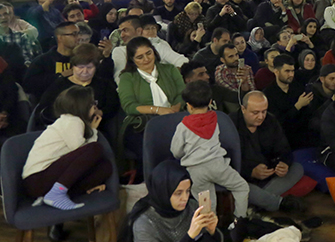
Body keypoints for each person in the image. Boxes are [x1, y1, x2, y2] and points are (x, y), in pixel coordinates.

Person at [118, 161, 229, 242]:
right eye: (178, 193)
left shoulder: (191, 207)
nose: (185, 198)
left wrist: (212, 231)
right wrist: (190, 236)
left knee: (204, 241)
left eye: (188, 191)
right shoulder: (144, 222)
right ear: (163, 191)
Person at [170, 80, 250, 220]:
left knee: (207, 206)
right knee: (241, 187)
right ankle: (239, 221)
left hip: (195, 172)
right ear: (210, 102)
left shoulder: (183, 126)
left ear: (188, 105)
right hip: (218, 166)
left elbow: (176, 151)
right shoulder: (215, 119)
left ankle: (209, 233)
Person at [22, 86, 111, 210]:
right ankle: (56, 194)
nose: (95, 107)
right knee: (96, 148)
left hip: (43, 182)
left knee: (105, 167)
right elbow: (82, 150)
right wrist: (93, 130)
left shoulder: (72, 121)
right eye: (92, 104)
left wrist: (92, 129)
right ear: (82, 106)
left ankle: (50, 196)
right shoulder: (72, 121)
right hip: (37, 179)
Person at [118, 37, 186, 169]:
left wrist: (176, 107)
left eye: (149, 53)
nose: (146, 59)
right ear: (132, 59)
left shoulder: (169, 69)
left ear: (154, 51)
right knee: (155, 150)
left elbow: (182, 93)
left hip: (174, 117)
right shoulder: (127, 77)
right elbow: (129, 106)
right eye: (140, 57)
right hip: (143, 124)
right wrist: (158, 110)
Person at [37, 43, 120, 131]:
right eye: (80, 67)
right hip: (64, 130)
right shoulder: (59, 85)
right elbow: (45, 110)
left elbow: (113, 106)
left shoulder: (104, 85)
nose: (85, 71)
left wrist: (101, 112)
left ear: (96, 67)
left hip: (98, 130)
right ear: (72, 66)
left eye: (89, 67)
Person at [262, 54, 317, 148]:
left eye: (292, 71)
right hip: (282, 138)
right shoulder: (268, 94)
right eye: (287, 71)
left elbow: (307, 116)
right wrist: (297, 106)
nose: (291, 74)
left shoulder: (298, 88)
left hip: (303, 135)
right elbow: (278, 122)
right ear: (276, 72)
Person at [24, 20, 79, 99]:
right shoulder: (42, 61)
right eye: (74, 34)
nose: (78, 37)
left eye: (78, 33)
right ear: (60, 37)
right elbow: (29, 85)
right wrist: (60, 76)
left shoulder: (82, 58)